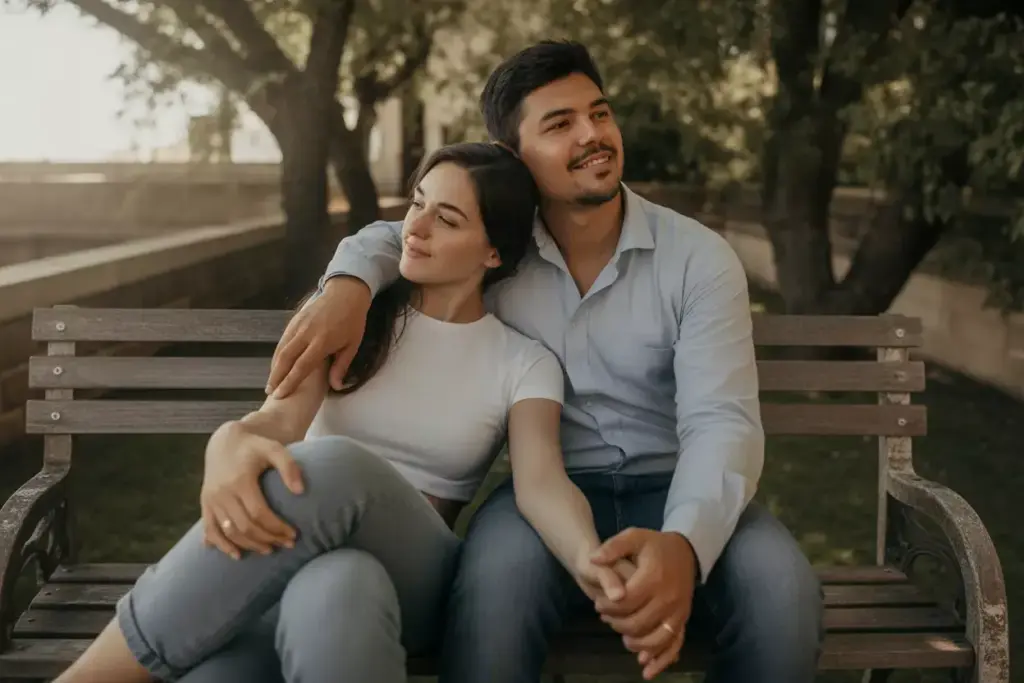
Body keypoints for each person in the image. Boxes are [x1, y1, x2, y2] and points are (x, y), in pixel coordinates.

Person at [266, 40, 825, 683]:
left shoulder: (698, 259)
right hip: (549, 489)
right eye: (560, 124)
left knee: (783, 596)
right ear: (513, 157)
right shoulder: (496, 249)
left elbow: (721, 421)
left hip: (680, 482)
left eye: (600, 113)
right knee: (494, 589)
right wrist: (348, 283)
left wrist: (684, 543)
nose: (592, 135)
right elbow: (404, 235)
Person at [53, 142, 633, 683]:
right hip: (303, 565)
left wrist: (589, 556)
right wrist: (230, 438)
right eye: (417, 204)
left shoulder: (525, 362)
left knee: (333, 465)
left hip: (418, 579)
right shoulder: (352, 315)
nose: (415, 228)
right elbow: (278, 423)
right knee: (331, 591)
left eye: (447, 219)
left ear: (494, 251)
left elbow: (541, 483)